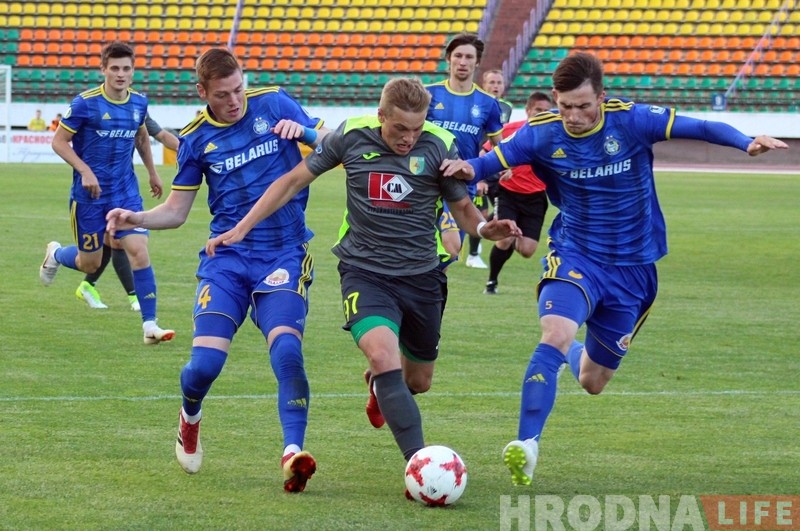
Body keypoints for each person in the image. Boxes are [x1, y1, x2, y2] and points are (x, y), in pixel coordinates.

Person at [441, 52, 788, 486]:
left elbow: (700, 127)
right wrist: (468, 166)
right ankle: (527, 443)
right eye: (565, 106)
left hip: (634, 268)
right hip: (576, 255)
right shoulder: (542, 132)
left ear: (601, 97)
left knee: (593, 380)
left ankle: (570, 355)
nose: (573, 116)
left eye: (583, 106)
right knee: (554, 333)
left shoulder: (632, 120)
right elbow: (494, 160)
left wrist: (745, 141)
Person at [203, 77, 521, 497]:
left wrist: (483, 228)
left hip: (422, 276)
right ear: (381, 115)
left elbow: (461, 206)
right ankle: (420, 465)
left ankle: (379, 386)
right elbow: (292, 181)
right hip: (364, 272)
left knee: (418, 381)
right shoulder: (351, 136)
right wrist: (241, 228)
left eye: (416, 129)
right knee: (382, 354)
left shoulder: (440, 144)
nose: (408, 138)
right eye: (399, 128)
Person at [105, 47, 329, 493]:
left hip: (284, 253)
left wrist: (305, 131)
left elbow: (334, 141)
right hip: (226, 258)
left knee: (287, 350)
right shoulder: (195, 140)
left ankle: (293, 453)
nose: (234, 101)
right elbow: (176, 211)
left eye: (239, 89)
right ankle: (189, 415)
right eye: (223, 94)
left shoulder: (275, 102)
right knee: (204, 366)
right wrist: (136, 217)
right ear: (202, 92)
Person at [40, 41, 174, 345]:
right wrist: (85, 171)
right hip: (89, 197)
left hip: (125, 193)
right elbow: (59, 141)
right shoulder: (85, 103)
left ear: (133, 71)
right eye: (114, 68)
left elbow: (142, 137)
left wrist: (152, 172)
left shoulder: (139, 103)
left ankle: (150, 325)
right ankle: (57, 254)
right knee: (89, 263)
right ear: (104, 69)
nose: (120, 74)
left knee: (139, 250)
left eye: (126, 68)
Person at [75, 115, 179, 311]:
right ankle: (59, 257)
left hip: (123, 187)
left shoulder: (137, 108)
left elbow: (161, 135)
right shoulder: (94, 107)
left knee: (114, 240)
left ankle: (92, 286)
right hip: (95, 188)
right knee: (107, 247)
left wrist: (189, 152)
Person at [425, 32, 504, 269]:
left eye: (469, 57)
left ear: (477, 62)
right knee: (425, 248)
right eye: (458, 55)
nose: (463, 61)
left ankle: (427, 287)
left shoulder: (487, 102)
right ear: (448, 59)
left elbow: (499, 145)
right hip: (425, 181)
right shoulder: (428, 94)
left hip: (460, 186)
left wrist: (504, 167)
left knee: (450, 252)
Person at [482, 91, 552, 295]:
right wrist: (482, 178)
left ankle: (511, 231)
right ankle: (491, 282)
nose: (542, 114)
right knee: (504, 239)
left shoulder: (554, 135)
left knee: (527, 250)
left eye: (546, 111)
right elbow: (484, 152)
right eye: (538, 110)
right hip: (508, 193)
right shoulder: (511, 130)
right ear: (528, 110)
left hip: (536, 197)